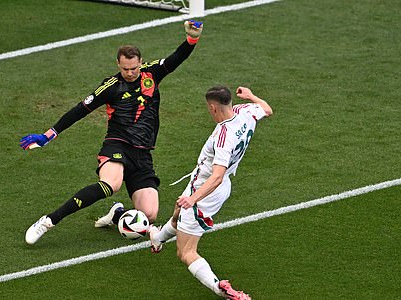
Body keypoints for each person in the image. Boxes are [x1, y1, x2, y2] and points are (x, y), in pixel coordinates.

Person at [20, 20, 204, 245]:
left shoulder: (152, 74)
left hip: (143, 153)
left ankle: (117, 214)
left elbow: (177, 57)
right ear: (118, 64)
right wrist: (48, 135)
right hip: (118, 144)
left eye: (134, 68)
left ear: (140, 63)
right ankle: (49, 220)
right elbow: (80, 110)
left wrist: (192, 39)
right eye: (125, 69)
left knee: (149, 215)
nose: (130, 72)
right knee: (111, 185)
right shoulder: (110, 86)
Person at [148, 86, 273, 299]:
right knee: (178, 211)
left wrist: (193, 199)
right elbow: (266, 109)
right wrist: (251, 96)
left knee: (186, 252)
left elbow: (216, 176)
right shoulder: (245, 112)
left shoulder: (224, 136)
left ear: (213, 107)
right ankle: (158, 238)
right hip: (215, 185)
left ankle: (221, 290)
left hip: (206, 190)